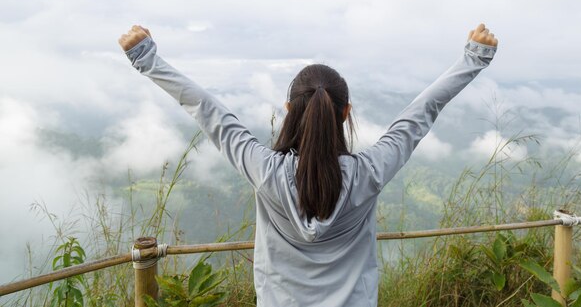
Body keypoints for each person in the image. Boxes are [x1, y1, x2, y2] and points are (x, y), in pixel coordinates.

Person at [119, 24, 497, 307]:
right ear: (346, 113)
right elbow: (419, 115)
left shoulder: (265, 171)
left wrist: (146, 58)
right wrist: (473, 59)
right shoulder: (369, 173)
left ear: (289, 111)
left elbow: (209, 111)